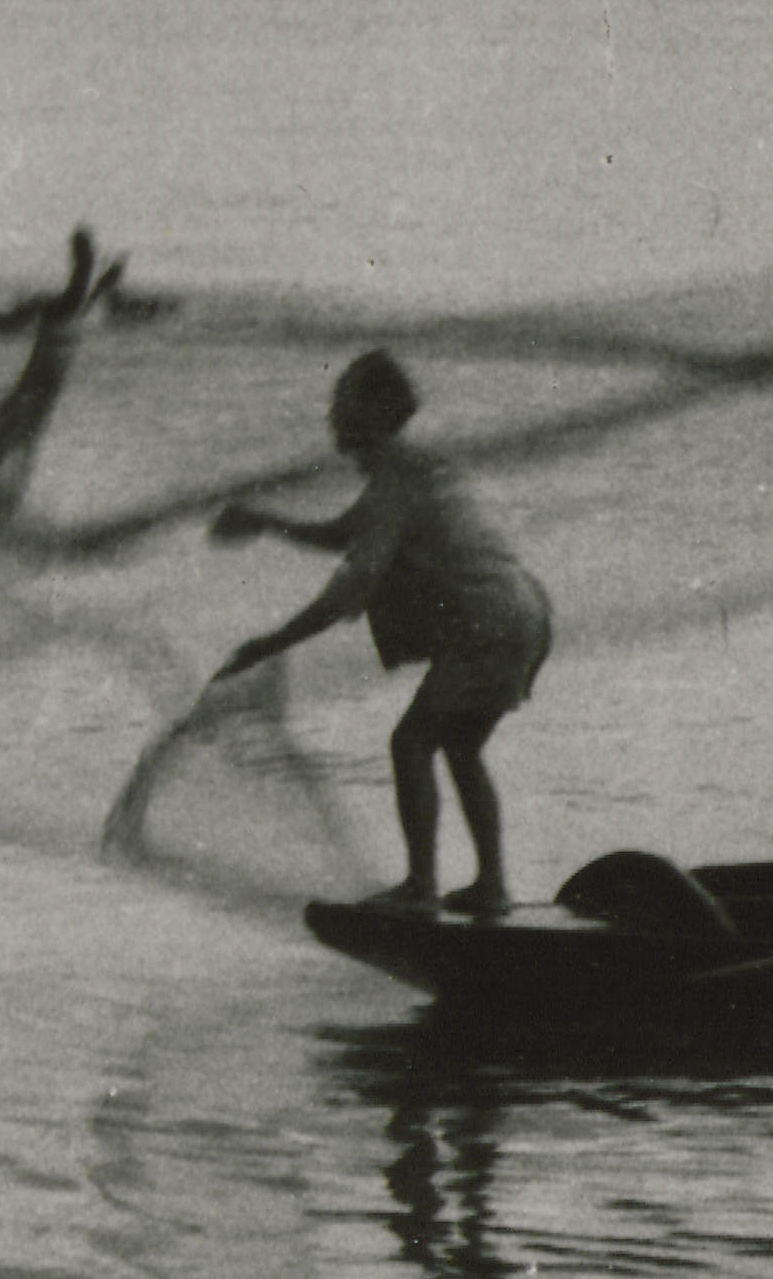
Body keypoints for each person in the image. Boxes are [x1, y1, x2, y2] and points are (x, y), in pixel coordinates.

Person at [211, 349, 554, 913]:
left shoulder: (396, 476)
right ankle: (491, 885)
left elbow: (355, 581)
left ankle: (421, 887)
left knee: (412, 742)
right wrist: (266, 521)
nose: (333, 413)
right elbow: (347, 533)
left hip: (487, 626)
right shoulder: (409, 467)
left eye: (343, 399)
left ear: (372, 411)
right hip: (522, 615)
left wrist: (267, 645)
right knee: (460, 747)